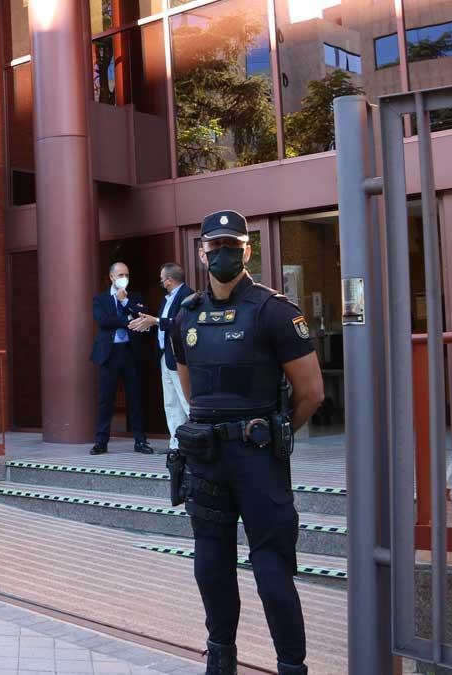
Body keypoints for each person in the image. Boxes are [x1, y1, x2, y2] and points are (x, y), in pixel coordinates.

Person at [168, 210, 323, 675]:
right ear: (201, 252)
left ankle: (292, 666)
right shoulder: (186, 316)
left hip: (258, 461)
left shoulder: (275, 311)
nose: (222, 254)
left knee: (272, 572)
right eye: (214, 246)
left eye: (231, 245)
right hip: (207, 460)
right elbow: (193, 392)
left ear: (247, 250)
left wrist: (271, 433)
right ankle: (220, 659)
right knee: (210, 569)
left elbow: (312, 392)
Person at [89, 262, 154, 455]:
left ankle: (140, 441)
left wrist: (126, 303)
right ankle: (101, 441)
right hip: (109, 353)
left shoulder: (135, 297)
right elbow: (103, 321)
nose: (124, 278)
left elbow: (142, 315)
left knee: (135, 398)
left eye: (126, 274)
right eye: (120, 275)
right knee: (105, 400)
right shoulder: (100, 299)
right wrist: (127, 321)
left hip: (130, 352)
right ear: (111, 277)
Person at [129, 263, 193, 452]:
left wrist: (155, 321)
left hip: (179, 358)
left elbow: (183, 323)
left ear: (169, 280)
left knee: (185, 399)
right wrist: (148, 323)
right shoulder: (167, 299)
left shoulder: (188, 296)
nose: (161, 282)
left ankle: (195, 442)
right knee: (171, 401)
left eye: (162, 279)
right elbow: (163, 324)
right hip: (165, 355)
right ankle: (176, 444)